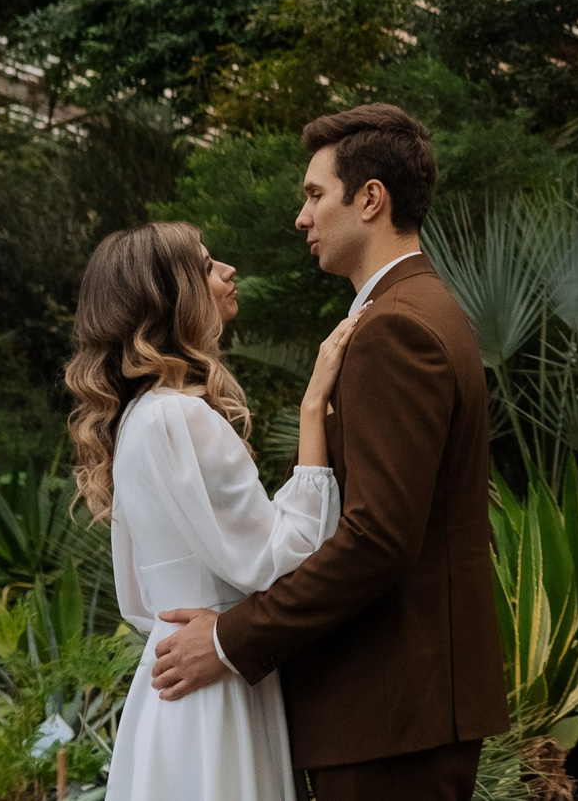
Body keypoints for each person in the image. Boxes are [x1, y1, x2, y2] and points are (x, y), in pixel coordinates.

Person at [151, 103, 509, 801]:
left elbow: (377, 538)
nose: (301, 217)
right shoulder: (417, 308)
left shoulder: (395, 329)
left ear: (370, 197)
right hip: (402, 710)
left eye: (315, 194)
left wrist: (229, 638)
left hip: (390, 711)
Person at [66, 220, 359, 801]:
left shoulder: (136, 421)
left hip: (170, 689)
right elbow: (281, 558)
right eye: (205, 265)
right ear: (168, 297)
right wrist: (312, 409)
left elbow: (138, 598)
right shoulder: (179, 416)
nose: (227, 270)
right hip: (216, 684)